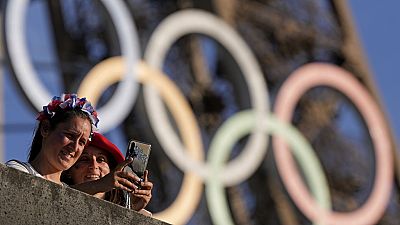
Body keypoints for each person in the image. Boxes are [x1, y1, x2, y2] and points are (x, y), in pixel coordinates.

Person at [6, 93, 98, 185]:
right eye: (70, 135)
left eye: (82, 142)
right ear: (45, 129)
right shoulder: (16, 171)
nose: (75, 147)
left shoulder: (71, 193)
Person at [62, 132, 153, 215]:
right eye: (84, 159)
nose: (94, 165)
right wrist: (99, 185)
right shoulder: (55, 194)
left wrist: (130, 211)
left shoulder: (140, 214)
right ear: (69, 171)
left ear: (112, 170)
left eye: (101, 159)